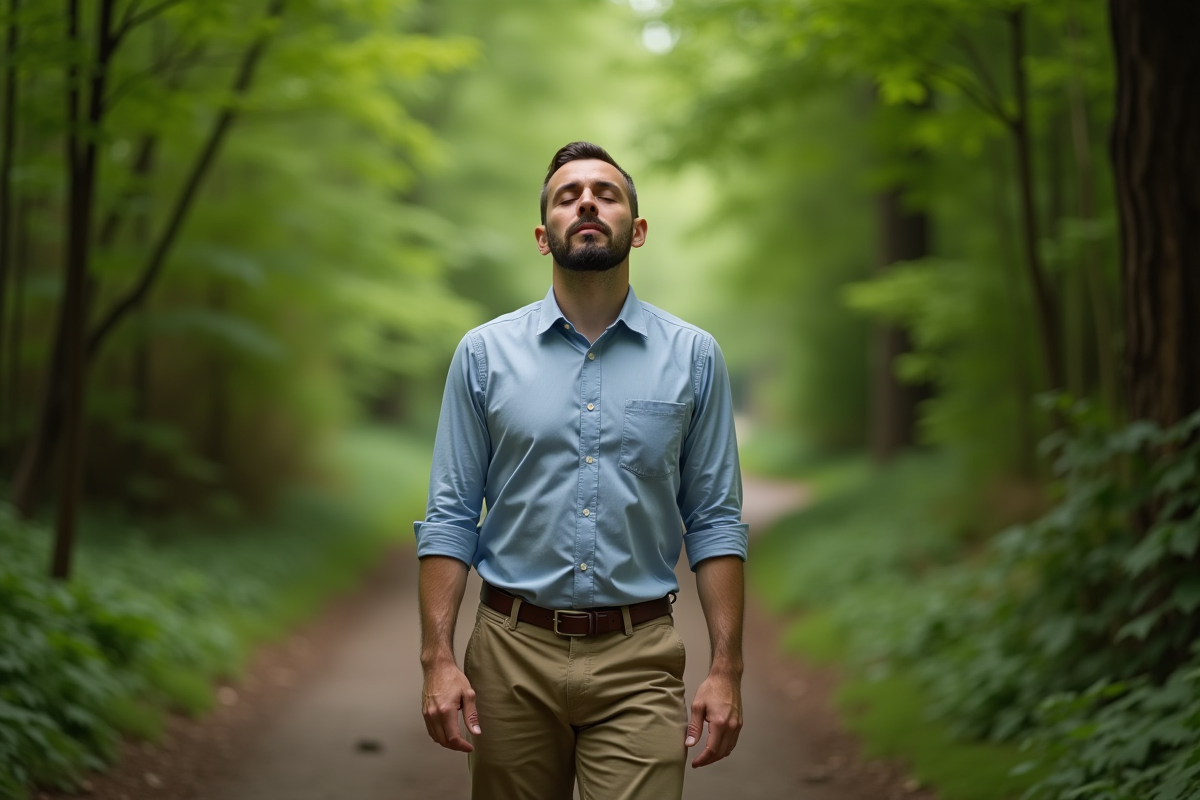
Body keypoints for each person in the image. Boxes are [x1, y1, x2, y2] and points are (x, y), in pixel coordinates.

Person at [415, 141, 747, 800]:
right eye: (568, 196)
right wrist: (438, 658)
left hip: (641, 657)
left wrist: (727, 668)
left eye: (606, 192)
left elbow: (713, 523)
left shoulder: (694, 357)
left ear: (638, 228)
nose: (587, 202)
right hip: (509, 654)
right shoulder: (483, 355)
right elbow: (451, 519)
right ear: (544, 237)